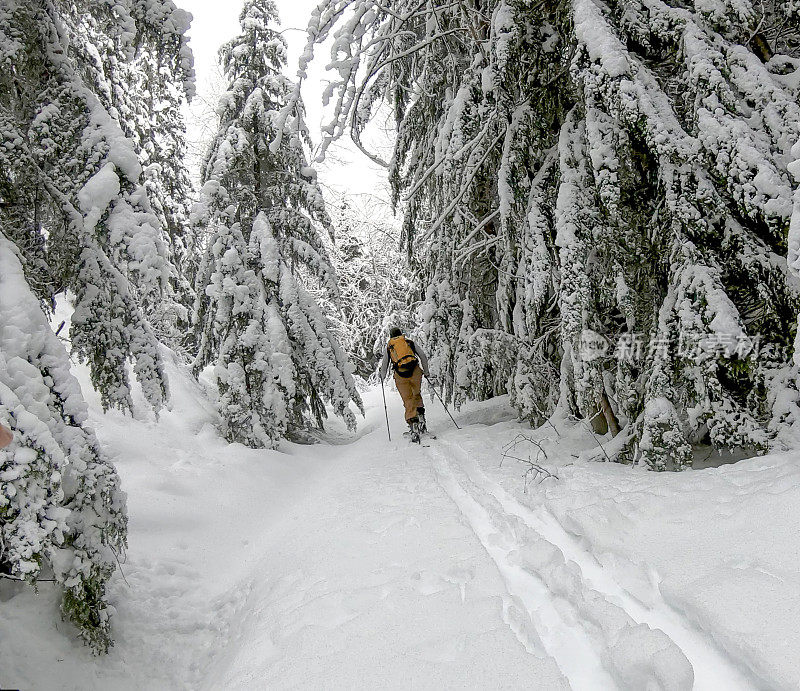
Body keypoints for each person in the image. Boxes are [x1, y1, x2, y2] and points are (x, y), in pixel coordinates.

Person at [379, 327, 432, 441]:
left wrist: (382, 377)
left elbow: (384, 365)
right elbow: (422, 356)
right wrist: (426, 372)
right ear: (401, 334)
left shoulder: (390, 346)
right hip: (416, 372)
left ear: (391, 336)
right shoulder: (409, 342)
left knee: (408, 399)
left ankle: (414, 426)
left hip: (401, 375)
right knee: (416, 394)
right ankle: (421, 419)